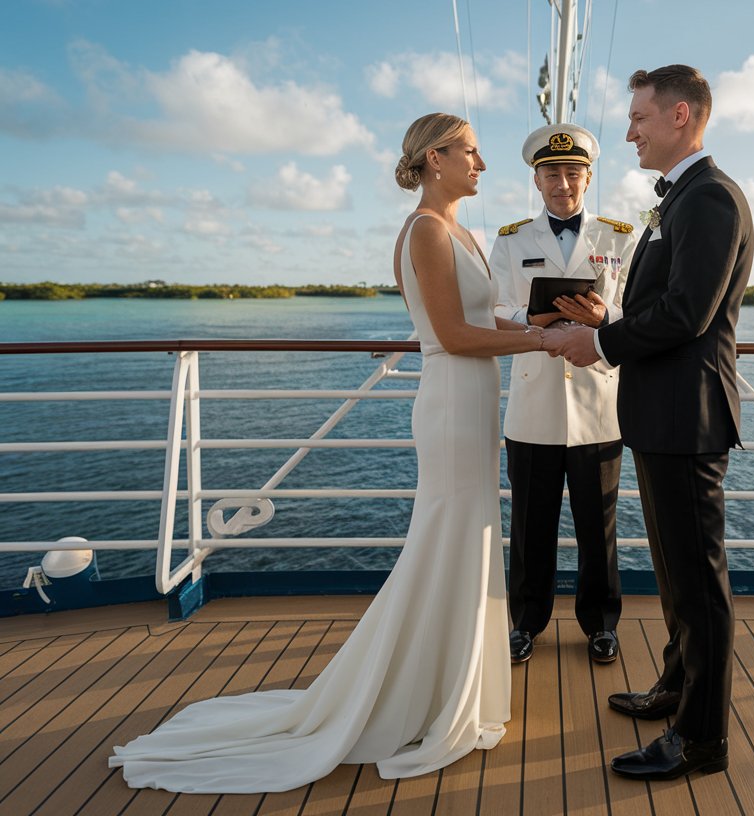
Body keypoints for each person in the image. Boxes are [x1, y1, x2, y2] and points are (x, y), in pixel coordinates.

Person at [109, 113, 546, 793]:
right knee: (450, 536)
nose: (481, 165)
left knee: (467, 537)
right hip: (453, 399)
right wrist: (545, 346)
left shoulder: (461, 230)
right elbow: (454, 336)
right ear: (435, 159)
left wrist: (539, 322)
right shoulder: (427, 230)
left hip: (474, 401)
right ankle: (421, 692)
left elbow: (485, 318)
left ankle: (445, 683)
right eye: (471, 152)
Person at [545, 65, 754, 781]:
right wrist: (610, 320)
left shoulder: (712, 199)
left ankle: (701, 740)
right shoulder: (681, 200)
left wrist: (601, 343)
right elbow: (661, 306)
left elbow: (688, 315)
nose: (628, 131)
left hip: (687, 419)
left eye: (639, 117)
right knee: (675, 577)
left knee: (699, 585)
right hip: (663, 417)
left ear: (682, 116)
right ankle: (676, 686)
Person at [490, 123, 638, 666]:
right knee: (531, 525)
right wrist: (532, 318)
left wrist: (607, 317)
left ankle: (601, 625)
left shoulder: (620, 238)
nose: (563, 182)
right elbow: (492, 312)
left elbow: (639, 315)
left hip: (599, 404)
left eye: (573, 171)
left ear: (588, 177)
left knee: (599, 525)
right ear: (536, 179)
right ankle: (526, 623)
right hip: (533, 403)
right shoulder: (510, 240)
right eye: (552, 172)